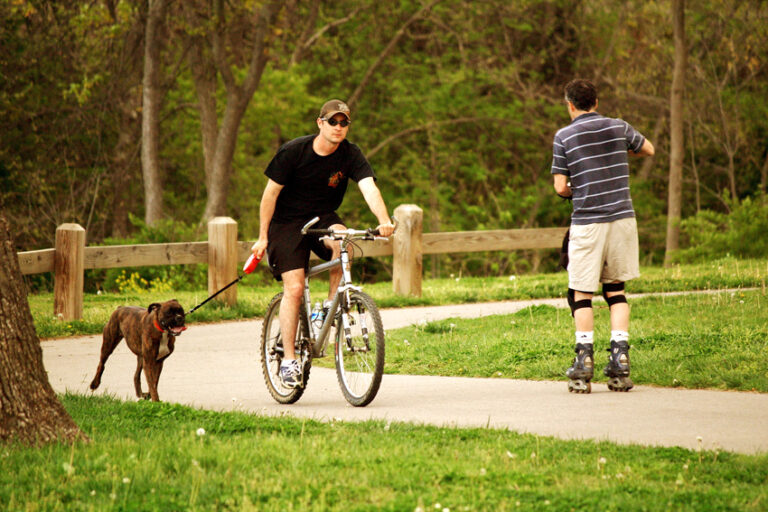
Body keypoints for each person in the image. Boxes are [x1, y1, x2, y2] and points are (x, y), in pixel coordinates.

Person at [251, 99, 395, 388]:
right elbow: (269, 195)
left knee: (344, 245)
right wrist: (263, 236)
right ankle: (290, 360)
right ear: (320, 123)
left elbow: (369, 186)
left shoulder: (351, 154)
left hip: (322, 218)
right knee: (294, 287)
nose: (339, 127)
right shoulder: (294, 151)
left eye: (344, 123)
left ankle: (328, 307)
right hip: (287, 223)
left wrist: (384, 220)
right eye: (333, 121)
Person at [550, 79, 654, 394]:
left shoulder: (564, 136)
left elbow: (560, 187)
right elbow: (647, 148)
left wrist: (576, 187)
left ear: (570, 105)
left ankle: (584, 363)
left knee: (581, 292)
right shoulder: (618, 127)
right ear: (596, 101)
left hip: (588, 222)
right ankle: (620, 361)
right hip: (623, 218)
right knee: (615, 291)